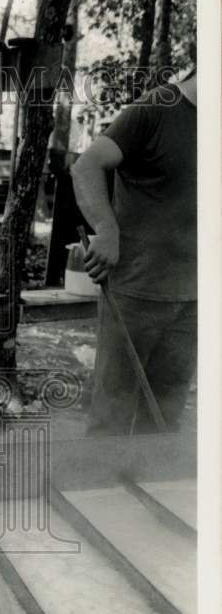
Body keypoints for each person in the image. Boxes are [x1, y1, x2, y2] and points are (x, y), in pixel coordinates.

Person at [71, 69, 197, 435]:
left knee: (163, 420)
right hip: (135, 295)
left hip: (194, 300)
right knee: (111, 419)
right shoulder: (156, 108)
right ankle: (99, 491)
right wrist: (107, 229)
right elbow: (86, 166)